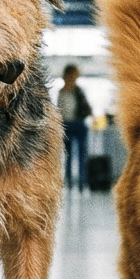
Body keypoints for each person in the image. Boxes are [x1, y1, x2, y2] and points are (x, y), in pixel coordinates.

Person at [57, 64, 93, 192]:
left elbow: (87, 107)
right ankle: (69, 182)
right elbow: (59, 110)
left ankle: (82, 183)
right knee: (68, 155)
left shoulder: (79, 91)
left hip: (79, 124)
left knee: (82, 154)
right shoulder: (61, 92)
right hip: (67, 125)